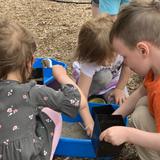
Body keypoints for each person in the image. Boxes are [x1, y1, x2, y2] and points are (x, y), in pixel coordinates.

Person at [0, 19, 93, 160]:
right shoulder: (32, 91)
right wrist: (62, 76)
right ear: (30, 62)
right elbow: (76, 101)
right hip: (26, 155)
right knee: (51, 114)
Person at [99, 1, 160, 160]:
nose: (124, 63)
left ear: (142, 50)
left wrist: (128, 134)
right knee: (142, 103)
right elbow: (141, 91)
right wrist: (115, 117)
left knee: (139, 117)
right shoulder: (155, 68)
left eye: (125, 56)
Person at [72, 15, 131, 105]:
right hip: (93, 81)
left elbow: (127, 67)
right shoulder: (89, 62)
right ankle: (90, 94)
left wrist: (119, 89)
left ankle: (103, 94)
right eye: (102, 59)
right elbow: (82, 94)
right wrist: (83, 105)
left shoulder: (122, 48)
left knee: (122, 103)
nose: (107, 63)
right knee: (104, 76)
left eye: (111, 57)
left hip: (114, 82)